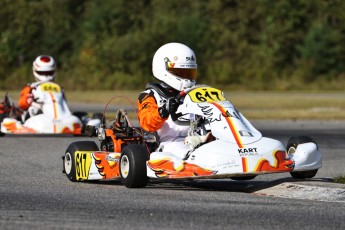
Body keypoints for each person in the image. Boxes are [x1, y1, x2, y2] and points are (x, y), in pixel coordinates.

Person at [137, 42, 207, 160]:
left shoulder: (197, 94)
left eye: (189, 73)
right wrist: (164, 110)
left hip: (197, 138)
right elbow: (147, 123)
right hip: (169, 144)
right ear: (164, 69)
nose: (186, 77)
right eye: (180, 72)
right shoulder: (150, 95)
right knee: (181, 149)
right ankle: (194, 159)